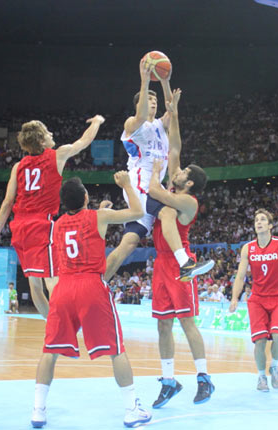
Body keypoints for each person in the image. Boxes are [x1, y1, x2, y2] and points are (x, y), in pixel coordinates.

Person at [31, 171, 151, 429]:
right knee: (116, 350)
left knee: (49, 351)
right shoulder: (99, 217)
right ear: (86, 197)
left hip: (64, 288)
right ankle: (131, 409)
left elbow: (80, 223)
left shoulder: (58, 223)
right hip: (90, 287)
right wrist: (128, 185)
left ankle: (38, 410)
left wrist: (98, 211)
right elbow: (138, 212)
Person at [136, 88, 214, 408]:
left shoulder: (186, 201)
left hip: (180, 262)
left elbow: (154, 188)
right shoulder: (177, 184)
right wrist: (175, 112)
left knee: (186, 322)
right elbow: (176, 145)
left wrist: (153, 171)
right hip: (162, 263)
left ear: (190, 182)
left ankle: (204, 378)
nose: (176, 170)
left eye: (181, 172)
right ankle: (169, 380)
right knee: (163, 324)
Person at [104, 59, 212, 284]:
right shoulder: (133, 125)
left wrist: (165, 82)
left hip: (151, 185)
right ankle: (185, 262)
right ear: (140, 104)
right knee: (168, 212)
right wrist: (144, 81)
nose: (153, 103)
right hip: (140, 182)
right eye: (149, 100)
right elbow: (142, 114)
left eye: (155, 101)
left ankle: (99, 281)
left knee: (130, 242)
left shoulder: (160, 128)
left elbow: (172, 116)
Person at [0, 115, 106, 318]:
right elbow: (84, 141)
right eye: (48, 133)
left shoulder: (18, 167)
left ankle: (52, 323)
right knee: (53, 279)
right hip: (42, 225)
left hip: (19, 228)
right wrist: (97, 122)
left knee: (35, 283)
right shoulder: (57, 155)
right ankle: (64, 322)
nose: (52, 135)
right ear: (42, 141)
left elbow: (7, 203)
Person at [229, 208, 278, 392]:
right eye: (257, 220)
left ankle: (275, 367)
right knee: (260, 340)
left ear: (271, 226)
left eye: (263, 219)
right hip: (257, 299)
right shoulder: (248, 248)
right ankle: (261, 377)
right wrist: (234, 298)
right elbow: (240, 277)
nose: (259, 222)